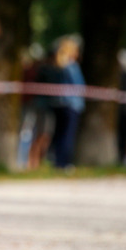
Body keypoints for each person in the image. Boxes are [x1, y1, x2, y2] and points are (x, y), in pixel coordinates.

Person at [49, 37, 85, 170]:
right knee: (68, 135)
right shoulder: (72, 66)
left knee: (59, 134)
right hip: (71, 104)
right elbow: (79, 85)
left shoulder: (57, 65)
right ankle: (65, 162)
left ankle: (58, 161)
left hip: (59, 104)